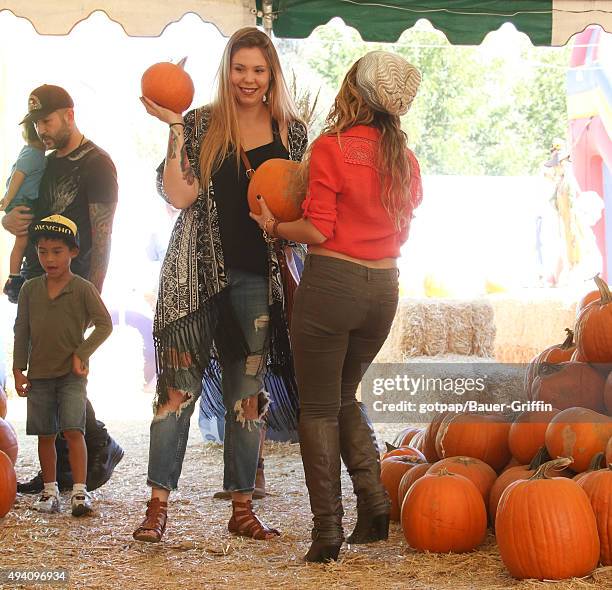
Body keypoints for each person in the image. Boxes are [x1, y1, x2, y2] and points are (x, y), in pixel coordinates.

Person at [133, 27, 307, 543]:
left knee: (246, 397)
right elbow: (179, 194)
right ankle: (157, 505)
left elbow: (301, 199)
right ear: (226, 71)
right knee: (176, 395)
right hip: (194, 278)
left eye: (258, 69)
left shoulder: (292, 133)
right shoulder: (202, 123)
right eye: (239, 68)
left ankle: (242, 509)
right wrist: (173, 127)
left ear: (271, 73)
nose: (248, 79)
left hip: (256, 278)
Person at [251, 50, 423, 562]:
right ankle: (374, 507)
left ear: (352, 91)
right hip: (384, 290)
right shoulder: (406, 161)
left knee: (319, 408)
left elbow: (318, 229)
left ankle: (326, 533)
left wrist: (275, 227)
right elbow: (402, 232)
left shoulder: (331, 148)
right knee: (344, 396)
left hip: (333, 286)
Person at [1, 84, 124, 494]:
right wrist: (10, 222)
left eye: (48, 120)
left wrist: (95, 291)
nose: (42, 129)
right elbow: (24, 212)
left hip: (75, 282)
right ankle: (71, 462)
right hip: (37, 278)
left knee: (59, 371)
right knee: (44, 371)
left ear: (69, 115)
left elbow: (102, 234)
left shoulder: (98, 164)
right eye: (36, 122)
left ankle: (97, 446)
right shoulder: (46, 161)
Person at [13, 215, 113, 515]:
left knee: (74, 431)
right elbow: (22, 331)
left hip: (71, 376)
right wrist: (19, 370)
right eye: (42, 251)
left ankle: (80, 492)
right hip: (40, 376)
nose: (49, 258)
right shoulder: (30, 289)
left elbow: (104, 325)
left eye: (57, 251)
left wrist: (81, 354)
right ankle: (49, 489)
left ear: (73, 252)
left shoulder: (82, 289)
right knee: (46, 434)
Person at [0, 120, 46, 303]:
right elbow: (19, 175)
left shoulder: (36, 154)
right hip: (23, 201)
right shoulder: (34, 154)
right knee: (21, 241)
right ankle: (13, 278)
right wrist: (8, 200)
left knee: (21, 241)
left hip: (23, 200)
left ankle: (14, 277)